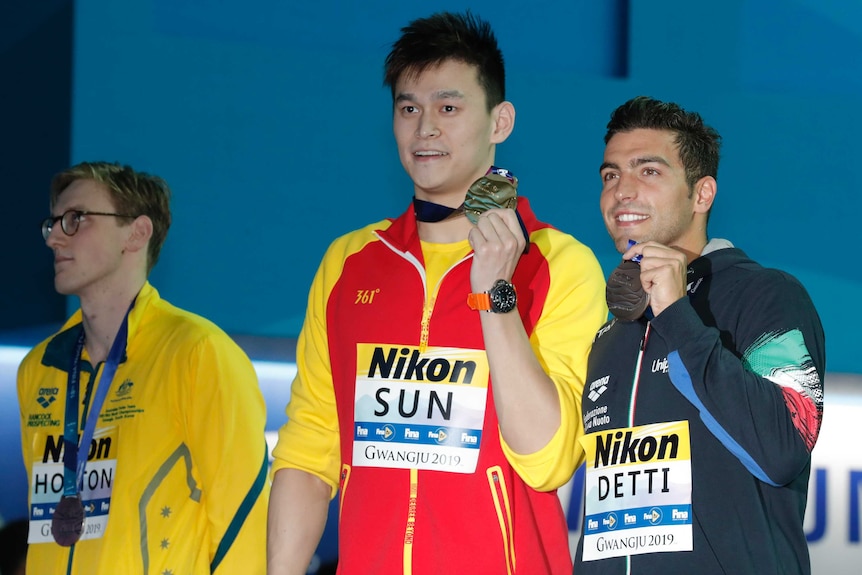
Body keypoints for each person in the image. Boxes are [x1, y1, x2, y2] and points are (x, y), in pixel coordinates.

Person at [267, 11, 607, 575]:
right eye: (408, 108)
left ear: (500, 122)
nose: (425, 128)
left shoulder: (558, 264)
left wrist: (497, 294)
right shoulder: (349, 263)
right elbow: (308, 451)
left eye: (448, 108)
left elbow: (548, 459)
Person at [574, 96, 825, 574]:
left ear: (701, 194)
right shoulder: (612, 330)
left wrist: (677, 315)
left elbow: (781, 449)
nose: (622, 190)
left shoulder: (767, 294)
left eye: (648, 171)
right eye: (611, 175)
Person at [17, 162, 269, 574]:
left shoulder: (197, 352)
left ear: (136, 233)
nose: (55, 237)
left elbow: (245, 521)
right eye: (53, 223)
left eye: (76, 219)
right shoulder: (40, 368)